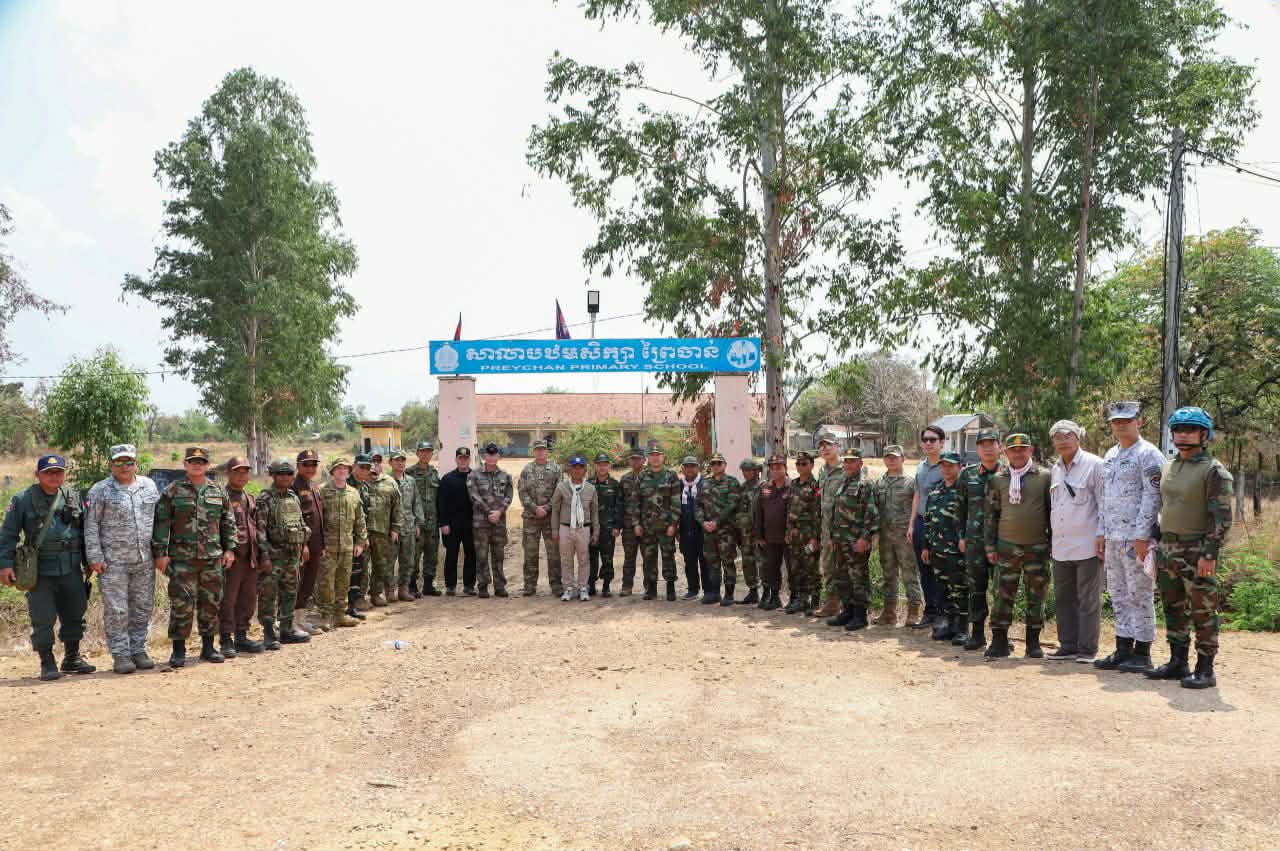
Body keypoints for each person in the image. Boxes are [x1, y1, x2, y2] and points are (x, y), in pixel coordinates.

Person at [1146, 406, 1233, 689]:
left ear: (1204, 434)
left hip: (1197, 550)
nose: (1183, 435)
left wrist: (1210, 554)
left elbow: (1221, 518)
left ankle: (1205, 669)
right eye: (1179, 430)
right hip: (1168, 549)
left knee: (1203, 611)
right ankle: (1177, 662)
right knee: (1173, 608)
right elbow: (1166, 506)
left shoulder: (1214, 471)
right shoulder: (1169, 465)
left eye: (1191, 430)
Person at [0, 453, 95, 681]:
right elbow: (8, 534)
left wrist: (88, 560)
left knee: (75, 612)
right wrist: (4, 565)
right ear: (38, 475)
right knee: (42, 616)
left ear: (64, 474)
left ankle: (72, 657)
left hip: (71, 565)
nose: (54, 476)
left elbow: (85, 532)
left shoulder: (74, 497)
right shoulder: (23, 499)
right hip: (39, 569)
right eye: (48, 472)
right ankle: (47, 661)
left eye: (58, 472)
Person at [1093, 401, 1165, 673]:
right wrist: (1101, 531)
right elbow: (1105, 497)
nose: (1121, 425)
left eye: (1127, 420)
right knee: (1118, 593)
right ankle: (1123, 648)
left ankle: (1142, 651)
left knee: (1139, 594)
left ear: (1139, 421)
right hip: (1113, 536)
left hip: (1136, 538)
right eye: (1116, 421)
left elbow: (1153, 496)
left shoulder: (1149, 454)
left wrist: (1143, 535)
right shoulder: (1111, 455)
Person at [152, 446, 237, 668]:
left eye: (201, 461)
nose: (197, 465)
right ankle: (178, 650)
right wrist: (160, 554)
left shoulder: (217, 491)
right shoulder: (172, 491)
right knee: (182, 604)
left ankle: (208, 648)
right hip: (182, 559)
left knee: (211, 604)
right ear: (185, 464)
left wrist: (230, 549)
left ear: (207, 465)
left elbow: (228, 522)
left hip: (212, 559)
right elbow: (161, 523)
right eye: (193, 461)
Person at [84, 443, 160, 674]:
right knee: (117, 610)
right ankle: (120, 654)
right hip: (113, 562)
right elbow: (90, 525)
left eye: (129, 461)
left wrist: (161, 553)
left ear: (136, 464)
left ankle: (138, 650)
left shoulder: (149, 486)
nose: (124, 466)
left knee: (142, 607)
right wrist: (94, 557)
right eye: (119, 462)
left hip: (144, 560)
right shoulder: (100, 490)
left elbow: (159, 520)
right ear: (111, 464)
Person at [983, 433, 1052, 659]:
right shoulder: (997, 479)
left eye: (1023, 449)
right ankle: (999, 640)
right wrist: (990, 547)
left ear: (1030, 451)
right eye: (1013, 450)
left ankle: (1033, 642)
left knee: (1037, 595)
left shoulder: (1045, 477)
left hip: (1037, 547)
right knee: (1002, 594)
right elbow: (990, 515)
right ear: (1006, 453)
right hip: (1006, 547)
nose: (1018, 453)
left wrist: (1052, 543)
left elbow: (1052, 512)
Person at [1046, 420, 1105, 663]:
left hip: (1088, 545)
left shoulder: (1095, 464)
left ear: (1078, 438)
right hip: (1061, 546)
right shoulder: (1056, 468)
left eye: (1067, 436)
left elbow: (1104, 503)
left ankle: (1087, 649)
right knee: (1063, 599)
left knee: (1088, 600)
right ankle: (1067, 646)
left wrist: (1102, 535)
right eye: (1057, 437)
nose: (1062, 441)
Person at [255, 458, 312, 648]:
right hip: (274, 556)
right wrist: (264, 556)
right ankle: (269, 632)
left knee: (290, 592)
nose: (286, 477)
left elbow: (300, 523)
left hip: (292, 554)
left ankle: (287, 629)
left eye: (289, 474)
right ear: (273, 475)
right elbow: (260, 531)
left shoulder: (293, 497)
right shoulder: (265, 499)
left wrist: (304, 546)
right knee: (268, 594)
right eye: (281, 473)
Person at [955, 429, 1003, 650]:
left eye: (992, 443)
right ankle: (977, 634)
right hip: (974, 542)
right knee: (976, 588)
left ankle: (1001, 635)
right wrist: (961, 536)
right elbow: (960, 508)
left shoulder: (1009, 474)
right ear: (977, 449)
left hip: (1002, 542)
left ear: (999, 447)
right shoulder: (967, 475)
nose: (988, 448)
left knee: (1002, 590)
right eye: (983, 444)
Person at [828, 449, 878, 631]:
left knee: (858, 578)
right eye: (846, 461)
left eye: (852, 461)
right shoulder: (843, 483)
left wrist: (864, 538)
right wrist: (833, 536)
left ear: (860, 463)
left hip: (856, 541)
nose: (848, 465)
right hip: (841, 539)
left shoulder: (865, 485)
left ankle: (860, 615)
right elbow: (836, 511)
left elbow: (871, 514)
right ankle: (847, 610)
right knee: (842, 576)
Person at [315, 457, 367, 629]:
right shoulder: (322, 491)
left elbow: (360, 519)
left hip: (347, 545)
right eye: (339, 468)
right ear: (332, 472)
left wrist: (360, 541)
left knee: (343, 582)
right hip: (327, 547)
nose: (342, 471)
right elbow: (316, 519)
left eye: (345, 468)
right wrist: (318, 545)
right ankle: (325, 615)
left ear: (349, 472)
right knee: (326, 582)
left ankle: (340, 615)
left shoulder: (353, 493)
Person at [219, 457, 263, 656]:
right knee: (228, 599)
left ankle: (242, 636)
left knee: (248, 598)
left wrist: (261, 554)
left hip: (250, 557)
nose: (241, 475)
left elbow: (256, 527)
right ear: (228, 473)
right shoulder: (222, 497)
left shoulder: (249, 497)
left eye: (245, 471)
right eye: (237, 471)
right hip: (232, 558)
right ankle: (226, 639)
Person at [873, 445, 920, 628]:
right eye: (888, 457)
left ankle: (913, 612)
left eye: (895, 457)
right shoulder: (879, 483)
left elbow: (917, 508)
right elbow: (874, 509)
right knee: (888, 574)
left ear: (902, 459)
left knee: (909, 574)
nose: (891, 460)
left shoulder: (911, 482)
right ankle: (889, 613)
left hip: (904, 537)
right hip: (885, 536)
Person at [922, 451, 966, 642]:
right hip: (937, 550)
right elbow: (928, 521)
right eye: (943, 465)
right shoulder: (935, 492)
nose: (946, 469)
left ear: (960, 467)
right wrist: (925, 547)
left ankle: (963, 629)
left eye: (951, 465)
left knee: (960, 590)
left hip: (957, 551)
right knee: (944, 590)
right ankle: (949, 626)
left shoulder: (964, 491)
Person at [628, 443, 680, 601]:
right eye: (652, 455)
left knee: (668, 557)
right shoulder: (642, 476)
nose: (655, 458)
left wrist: (673, 524)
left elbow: (676, 502)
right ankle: (651, 589)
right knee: (649, 558)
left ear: (663, 457)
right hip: (647, 527)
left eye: (658, 455)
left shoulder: (671, 476)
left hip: (666, 527)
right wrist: (636, 523)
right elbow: (635, 502)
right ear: (648, 458)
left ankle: (670, 588)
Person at [907, 425, 947, 628]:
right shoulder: (920, 467)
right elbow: (917, 495)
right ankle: (929, 611)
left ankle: (943, 613)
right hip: (922, 522)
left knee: (941, 568)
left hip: (942, 525)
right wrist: (912, 524)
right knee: (924, 569)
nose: (929, 443)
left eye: (933, 439)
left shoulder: (948, 465)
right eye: (925, 440)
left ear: (942, 442)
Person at [355, 454, 403, 606]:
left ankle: (376, 594)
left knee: (381, 564)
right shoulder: (360, 482)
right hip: (363, 532)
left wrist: (395, 528)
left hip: (382, 532)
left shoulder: (390, 482)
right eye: (372, 462)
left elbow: (397, 507)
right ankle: (360, 597)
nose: (375, 465)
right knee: (363, 565)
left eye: (377, 462)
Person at [468, 442, 513, 598]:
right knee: (481, 556)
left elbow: (509, 496)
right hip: (481, 523)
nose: (491, 457)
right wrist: (489, 512)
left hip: (499, 522)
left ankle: (500, 586)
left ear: (498, 456)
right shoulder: (474, 475)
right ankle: (483, 586)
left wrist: (499, 512)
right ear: (484, 456)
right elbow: (474, 496)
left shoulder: (505, 476)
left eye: (494, 455)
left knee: (498, 555)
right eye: (489, 455)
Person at [551, 455, 600, 601]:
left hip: (583, 528)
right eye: (574, 468)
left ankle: (583, 587)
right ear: (569, 470)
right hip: (565, 528)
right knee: (566, 559)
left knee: (584, 559)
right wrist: (555, 530)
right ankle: (568, 588)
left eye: (580, 468)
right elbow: (555, 510)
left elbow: (594, 512)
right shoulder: (561, 487)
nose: (577, 470)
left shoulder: (590, 489)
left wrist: (596, 531)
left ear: (585, 470)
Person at [519, 440, 563, 596]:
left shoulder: (556, 469)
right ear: (534, 451)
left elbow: (559, 492)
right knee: (530, 553)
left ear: (547, 451)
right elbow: (522, 492)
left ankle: (556, 585)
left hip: (550, 518)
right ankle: (530, 585)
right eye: (537, 449)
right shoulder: (526, 470)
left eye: (543, 449)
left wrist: (546, 508)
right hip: (531, 518)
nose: (540, 452)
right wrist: (534, 508)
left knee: (554, 553)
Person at [696, 452, 741, 605]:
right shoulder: (705, 483)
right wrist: (703, 522)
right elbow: (698, 505)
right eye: (713, 463)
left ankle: (729, 594)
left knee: (727, 561)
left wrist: (717, 522)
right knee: (712, 562)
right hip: (708, 531)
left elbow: (732, 505)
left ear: (724, 465)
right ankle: (714, 593)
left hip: (725, 530)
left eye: (719, 463)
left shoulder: (732, 482)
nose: (715, 466)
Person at [291, 448, 327, 634]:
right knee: (298, 583)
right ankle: (290, 623)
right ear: (298, 466)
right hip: (302, 546)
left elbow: (318, 517)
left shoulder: (313, 486)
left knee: (308, 583)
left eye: (314, 464)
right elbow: (295, 518)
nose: (310, 468)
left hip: (315, 545)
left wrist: (322, 545)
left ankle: (301, 620)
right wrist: (302, 545)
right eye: (306, 464)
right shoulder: (294, 486)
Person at [753, 454, 791, 611]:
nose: (775, 471)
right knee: (772, 568)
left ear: (785, 468)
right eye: (772, 468)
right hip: (770, 536)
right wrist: (759, 535)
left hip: (788, 537)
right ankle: (775, 597)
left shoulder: (792, 486)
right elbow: (758, 513)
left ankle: (795, 598)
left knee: (792, 568)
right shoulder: (765, 488)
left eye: (778, 467)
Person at [786, 450, 820, 615]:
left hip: (808, 535)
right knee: (797, 568)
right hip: (794, 535)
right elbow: (789, 510)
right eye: (798, 463)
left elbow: (817, 513)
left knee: (811, 568)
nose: (800, 466)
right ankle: (802, 600)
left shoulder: (815, 485)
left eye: (804, 463)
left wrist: (815, 538)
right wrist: (787, 531)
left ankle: (815, 602)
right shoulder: (793, 484)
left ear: (811, 465)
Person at [814, 432, 845, 618]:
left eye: (829, 445)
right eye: (822, 446)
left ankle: (849, 607)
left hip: (843, 528)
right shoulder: (822, 471)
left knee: (844, 567)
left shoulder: (846, 469)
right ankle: (832, 603)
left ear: (837, 447)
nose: (824, 449)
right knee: (827, 566)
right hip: (826, 528)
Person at [439, 446, 477, 595]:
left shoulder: (475, 477)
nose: (463, 461)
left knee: (471, 555)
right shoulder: (447, 479)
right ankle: (450, 586)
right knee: (451, 555)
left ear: (469, 459)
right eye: (460, 458)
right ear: (456, 460)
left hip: (471, 524)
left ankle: (469, 585)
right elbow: (442, 503)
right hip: (452, 525)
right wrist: (443, 523)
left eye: (466, 458)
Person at [407, 440, 442, 596]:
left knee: (431, 555)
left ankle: (428, 585)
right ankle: (412, 586)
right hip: (417, 523)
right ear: (417, 453)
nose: (426, 454)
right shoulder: (409, 473)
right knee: (414, 555)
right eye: (423, 451)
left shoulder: (434, 473)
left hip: (432, 522)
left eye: (429, 451)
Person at [389, 450, 425, 602]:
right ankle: (389, 591)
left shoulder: (411, 481)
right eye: (397, 460)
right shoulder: (386, 481)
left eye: (402, 460)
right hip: (392, 529)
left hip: (409, 527)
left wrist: (418, 523)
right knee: (390, 562)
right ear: (390, 462)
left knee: (408, 562)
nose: (400, 463)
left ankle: (403, 590)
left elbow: (416, 503)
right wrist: (391, 528)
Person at [587, 453, 622, 597]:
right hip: (590, 528)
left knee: (607, 558)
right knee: (591, 557)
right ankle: (591, 585)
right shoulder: (588, 484)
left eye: (605, 465)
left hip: (608, 529)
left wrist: (617, 526)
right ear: (595, 466)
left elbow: (619, 506)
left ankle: (606, 586)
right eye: (599, 464)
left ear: (609, 466)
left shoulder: (615, 485)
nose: (602, 467)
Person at [733, 457, 764, 605]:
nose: (745, 473)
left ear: (756, 471)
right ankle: (753, 591)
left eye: (749, 470)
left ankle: (768, 592)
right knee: (747, 562)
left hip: (759, 532)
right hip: (745, 533)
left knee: (762, 562)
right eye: (744, 470)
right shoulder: (742, 488)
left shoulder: (763, 487)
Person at [677, 456, 707, 600]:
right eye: (687, 466)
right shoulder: (679, 485)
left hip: (702, 530)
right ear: (683, 468)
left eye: (692, 466)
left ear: (697, 467)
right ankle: (693, 589)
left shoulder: (705, 483)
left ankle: (708, 591)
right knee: (689, 561)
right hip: (685, 529)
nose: (689, 469)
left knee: (705, 561)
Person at [616, 449, 646, 596]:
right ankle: (627, 586)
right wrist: (618, 525)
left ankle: (649, 587)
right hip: (628, 526)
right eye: (633, 459)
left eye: (638, 459)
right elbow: (620, 503)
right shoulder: (625, 479)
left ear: (644, 460)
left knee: (648, 558)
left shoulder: (649, 477)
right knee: (629, 558)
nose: (635, 461)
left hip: (646, 524)